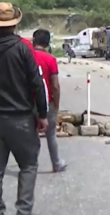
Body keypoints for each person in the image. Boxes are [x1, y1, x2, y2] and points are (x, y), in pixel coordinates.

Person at [0, 2, 48, 215]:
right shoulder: (23, 47)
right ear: (13, 23)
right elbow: (36, 83)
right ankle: (23, 211)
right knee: (29, 165)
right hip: (21, 119)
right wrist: (42, 115)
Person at [32, 29, 67, 173]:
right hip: (47, 102)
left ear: (34, 41)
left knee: (31, 135)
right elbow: (55, 85)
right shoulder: (50, 59)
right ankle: (56, 164)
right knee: (50, 134)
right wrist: (56, 104)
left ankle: (31, 165)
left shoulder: (26, 56)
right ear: (47, 43)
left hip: (28, 102)